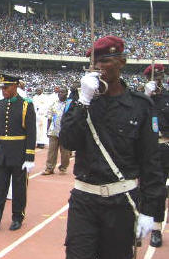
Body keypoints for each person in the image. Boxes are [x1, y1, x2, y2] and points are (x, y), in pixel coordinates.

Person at [60, 36, 166, 259]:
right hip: (84, 200)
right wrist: (83, 101)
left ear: (122, 62)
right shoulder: (82, 101)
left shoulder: (140, 105)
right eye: (93, 62)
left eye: (105, 60)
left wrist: (150, 210)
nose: (98, 67)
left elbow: (150, 163)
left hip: (121, 201)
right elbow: (68, 142)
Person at [0, 74, 36, 231]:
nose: (3, 90)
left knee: (19, 189)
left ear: (15, 86)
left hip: (19, 153)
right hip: (3, 153)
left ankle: (17, 217)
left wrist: (29, 156)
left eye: (6, 87)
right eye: (2, 87)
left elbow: (31, 132)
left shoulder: (26, 105)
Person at [143, 63, 169, 247]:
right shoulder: (141, 98)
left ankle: (157, 228)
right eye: (154, 77)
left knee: (161, 191)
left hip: (167, 145)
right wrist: (146, 96)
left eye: (160, 76)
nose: (158, 80)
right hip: (150, 149)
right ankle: (153, 228)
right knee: (151, 191)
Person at [42, 86, 71, 175]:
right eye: (59, 92)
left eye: (62, 92)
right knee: (51, 151)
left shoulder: (70, 104)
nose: (60, 94)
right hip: (53, 131)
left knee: (65, 152)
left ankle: (63, 167)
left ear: (66, 93)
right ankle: (49, 168)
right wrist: (47, 130)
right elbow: (49, 118)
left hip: (65, 132)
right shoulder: (54, 103)